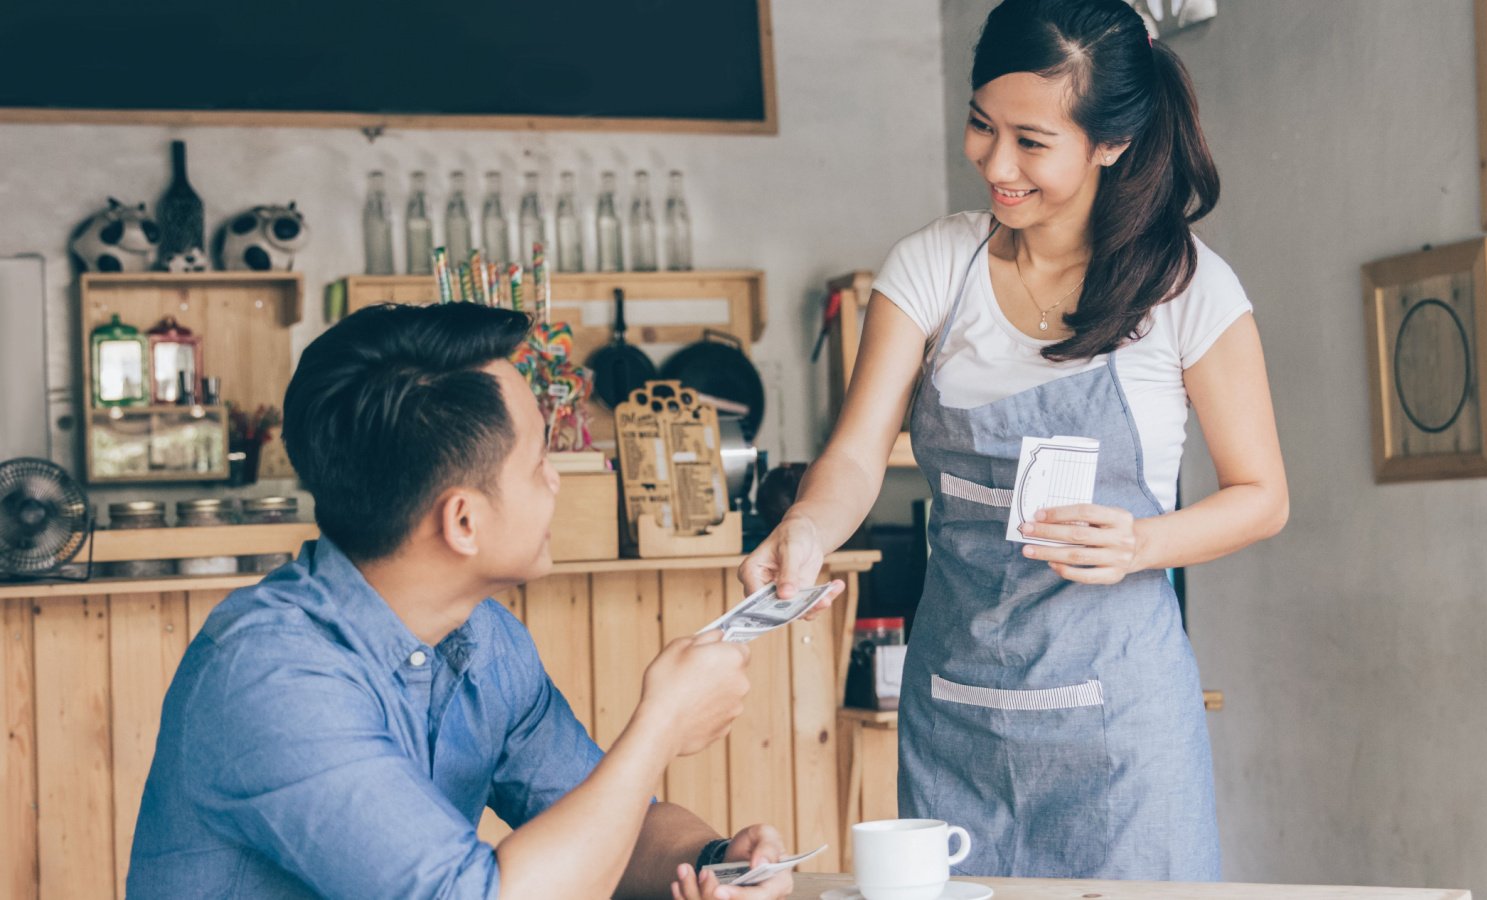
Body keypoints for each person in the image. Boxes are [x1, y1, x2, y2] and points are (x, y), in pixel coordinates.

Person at [740, 0, 1288, 881]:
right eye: (980, 125)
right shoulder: (932, 268)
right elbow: (854, 457)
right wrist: (808, 528)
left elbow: (1263, 496)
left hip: (1119, 728)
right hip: (956, 711)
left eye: (1032, 141)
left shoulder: (1186, 288)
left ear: (1110, 143)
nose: (996, 163)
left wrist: (1143, 542)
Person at [128, 302, 808, 900]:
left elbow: (606, 825)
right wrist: (659, 725)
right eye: (540, 460)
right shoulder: (269, 677)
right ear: (462, 521)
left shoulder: (485, 640)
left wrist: (716, 864)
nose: (557, 484)